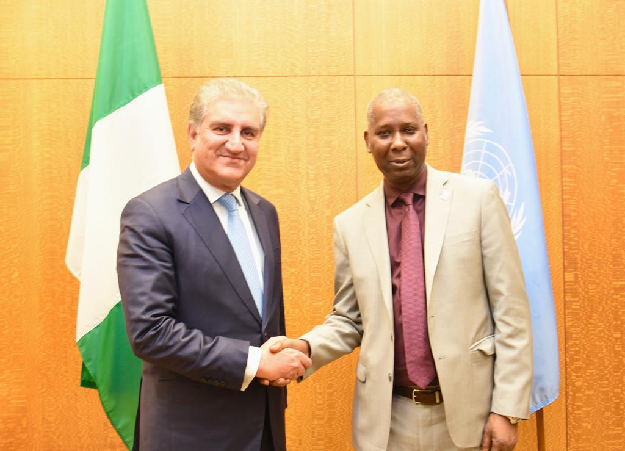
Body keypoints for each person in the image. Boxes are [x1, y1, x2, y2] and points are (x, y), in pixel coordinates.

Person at [266, 88, 532, 451]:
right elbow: (349, 320)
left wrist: (507, 409)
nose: (398, 143)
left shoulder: (478, 199)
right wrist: (305, 347)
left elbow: (511, 312)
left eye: (408, 130)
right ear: (367, 141)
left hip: (472, 413)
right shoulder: (350, 225)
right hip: (389, 421)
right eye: (384, 133)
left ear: (426, 132)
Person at [117, 78, 311, 451]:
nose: (236, 143)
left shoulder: (264, 212)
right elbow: (150, 332)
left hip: (264, 430)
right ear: (192, 133)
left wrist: (279, 353)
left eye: (249, 132)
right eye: (222, 128)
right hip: (191, 434)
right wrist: (255, 362)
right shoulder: (150, 214)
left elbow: (260, 316)